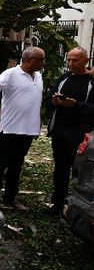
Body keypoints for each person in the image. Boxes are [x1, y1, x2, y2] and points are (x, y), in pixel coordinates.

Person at [0, 46, 46, 210]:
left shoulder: (39, 76)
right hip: (10, 128)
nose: (43, 62)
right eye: (40, 59)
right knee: (1, 163)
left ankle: (10, 198)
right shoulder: (11, 73)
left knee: (17, 165)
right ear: (29, 60)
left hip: (28, 130)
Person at [45, 47, 94, 214]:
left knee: (81, 172)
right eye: (69, 60)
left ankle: (79, 207)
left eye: (76, 60)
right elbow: (48, 101)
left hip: (82, 133)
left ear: (86, 61)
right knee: (60, 168)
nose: (71, 63)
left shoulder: (91, 81)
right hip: (60, 130)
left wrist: (76, 105)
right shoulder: (64, 78)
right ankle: (58, 203)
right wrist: (55, 101)